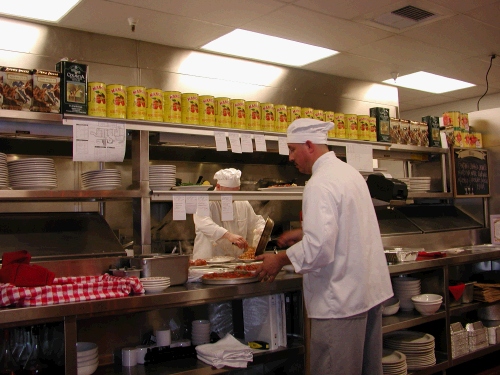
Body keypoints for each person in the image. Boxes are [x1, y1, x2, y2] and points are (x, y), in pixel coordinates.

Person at [255, 118, 393, 375]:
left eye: (292, 149)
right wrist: (305, 231)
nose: (290, 157)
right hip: (367, 295)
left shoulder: (319, 184)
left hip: (340, 302)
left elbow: (319, 250)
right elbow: (346, 224)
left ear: (309, 145)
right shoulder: (348, 173)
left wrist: (280, 258)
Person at [192, 168, 266, 260]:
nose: (233, 196)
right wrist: (228, 235)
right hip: (207, 262)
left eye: (236, 192)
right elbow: (204, 223)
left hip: (234, 262)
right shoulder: (204, 201)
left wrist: (261, 229)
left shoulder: (242, 202)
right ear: (218, 186)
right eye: (229, 193)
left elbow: (255, 221)